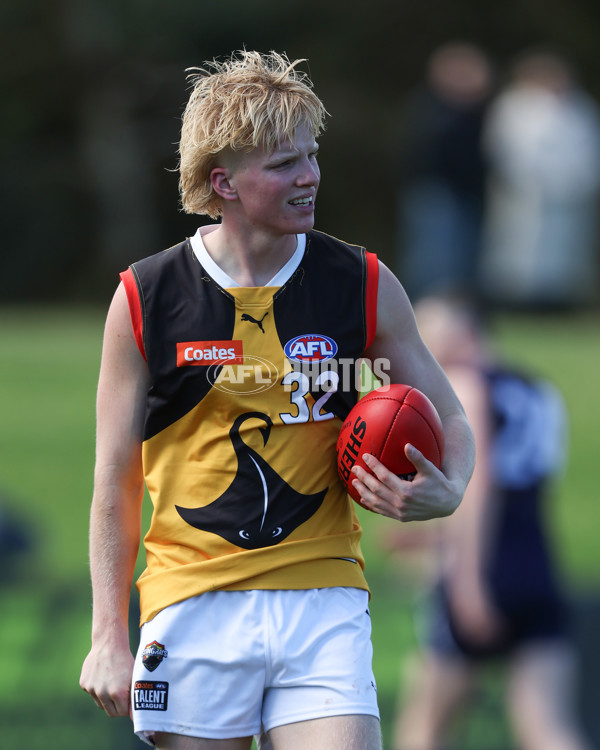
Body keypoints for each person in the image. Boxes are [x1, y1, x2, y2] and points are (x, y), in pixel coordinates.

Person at [79, 51, 474, 750]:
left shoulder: (361, 281)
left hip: (323, 599)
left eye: (311, 155)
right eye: (284, 164)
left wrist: (450, 489)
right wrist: (109, 635)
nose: (309, 175)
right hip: (190, 601)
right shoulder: (145, 296)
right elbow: (115, 477)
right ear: (222, 182)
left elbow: (448, 413)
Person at [391, 293, 593, 750]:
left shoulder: (465, 382)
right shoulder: (536, 390)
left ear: (462, 329)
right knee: (549, 727)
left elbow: (478, 488)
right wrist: (429, 537)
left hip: (482, 570)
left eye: (428, 330)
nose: (419, 344)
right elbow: (527, 485)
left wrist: (467, 580)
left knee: (422, 727)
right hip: (538, 565)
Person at [480, 49, 600, 310]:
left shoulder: (579, 109)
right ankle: (517, 303)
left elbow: (588, 151)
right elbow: (507, 149)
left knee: (563, 255)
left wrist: (574, 183)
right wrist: (531, 181)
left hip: (568, 198)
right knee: (517, 252)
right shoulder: (513, 106)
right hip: (524, 197)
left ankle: (557, 305)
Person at [395, 42, 494, 302]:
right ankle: (428, 312)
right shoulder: (434, 111)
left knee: (461, 262)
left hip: (466, 196)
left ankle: (454, 314)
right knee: (433, 261)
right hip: (436, 194)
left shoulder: (477, 113)